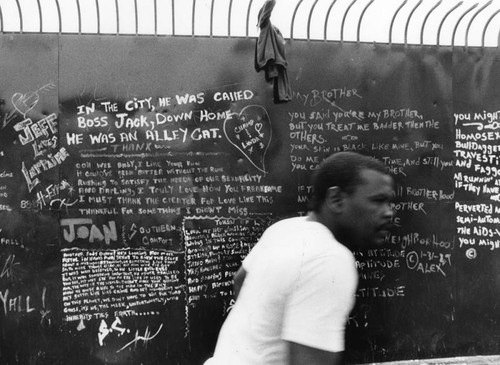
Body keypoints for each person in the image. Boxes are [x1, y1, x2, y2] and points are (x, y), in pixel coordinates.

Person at [206, 151, 395, 365]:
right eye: (377, 201)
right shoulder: (329, 259)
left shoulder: (285, 229)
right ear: (336, 199)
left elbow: (240, 281)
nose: (389, 212)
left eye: (389, 202)